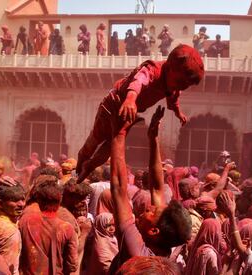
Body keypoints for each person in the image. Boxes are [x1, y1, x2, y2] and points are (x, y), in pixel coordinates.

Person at [76, 44, 204, 182]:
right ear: (171, 68)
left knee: (111, 147)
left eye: (185, 85)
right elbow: (139, 81)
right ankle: (79, 165)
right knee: (94, 141)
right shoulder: (153, 70)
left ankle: (88, 166)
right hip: (115, 104)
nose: (181, 86)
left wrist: (178, 112)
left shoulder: (173, 85)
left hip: (128, 113)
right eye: (180, 82)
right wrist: (130, 99)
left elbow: (173, 99)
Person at [108, 106, 192, 272]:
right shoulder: (167, 249)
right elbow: (157, 189)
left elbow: (118, 187)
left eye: (152, 212)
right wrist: (153, 138)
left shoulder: (136, 250)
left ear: (154, 230)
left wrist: (118, 134)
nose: (149, 207)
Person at [19, 175, 78, 274]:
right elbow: (72, 265)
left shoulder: (25, 221)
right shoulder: (66, 228)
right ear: (60, 200)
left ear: (39, 201)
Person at [0, 179, 25, 275]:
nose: (21, 204)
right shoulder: (10, 232)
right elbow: (8, 269)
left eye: (22, 199)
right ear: (1, 203)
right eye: (14, 200)